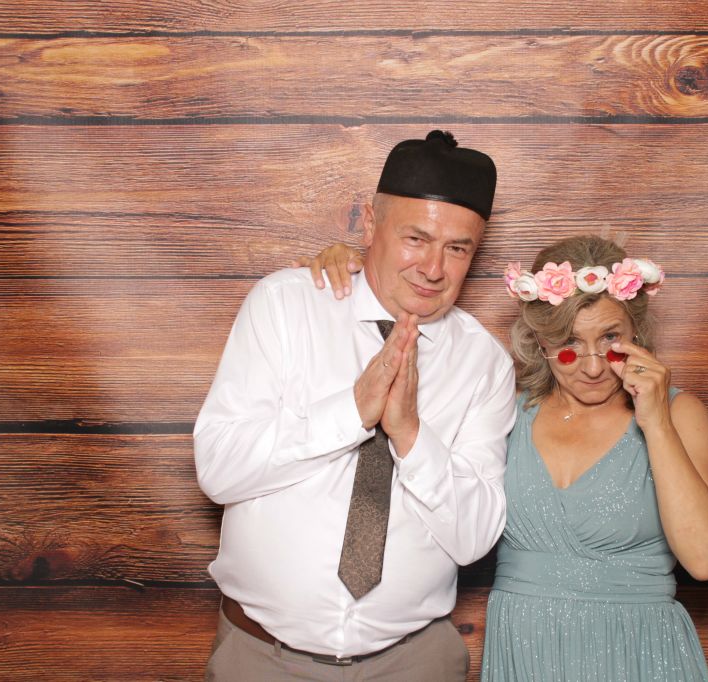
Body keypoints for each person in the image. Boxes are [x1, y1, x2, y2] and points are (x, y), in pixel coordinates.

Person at [300, 234, 708, 681]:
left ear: (636, 333)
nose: (592, 367)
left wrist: (656, 422)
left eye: (611, 340)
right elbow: (416, 480)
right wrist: (357, 278)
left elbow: (706, 561)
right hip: (526, 652)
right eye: (568, 344)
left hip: (639, 652)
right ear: (540, 342)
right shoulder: (504, 412)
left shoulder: (678, 414)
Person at [193, 130, 517, 681]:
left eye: (457, 249)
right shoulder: (286, 305)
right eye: (416, 238)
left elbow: (474, 538)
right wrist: (351, 413)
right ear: (369, 223)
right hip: (262, 658)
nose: (433, 268)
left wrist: (410, 435)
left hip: (416, 662)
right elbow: (219, 470)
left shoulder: (485, 363)